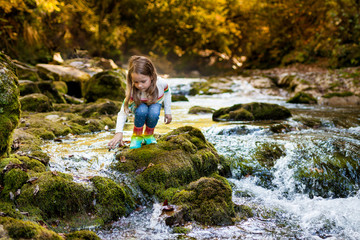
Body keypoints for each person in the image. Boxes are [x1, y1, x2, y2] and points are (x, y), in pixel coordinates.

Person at [108, 56, 172, 149]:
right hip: (139, 105)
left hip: (155, 102)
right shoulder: (133, 92)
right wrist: (118, 132)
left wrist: (168, 112)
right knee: (142, 110)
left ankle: (148, 135)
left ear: (151, 76)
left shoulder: (161, 83)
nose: (139, 85)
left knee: (154, 113)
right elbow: (123, 112)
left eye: (143, 81)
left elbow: (167, 93)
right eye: (136, 82)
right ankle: (137, 137)